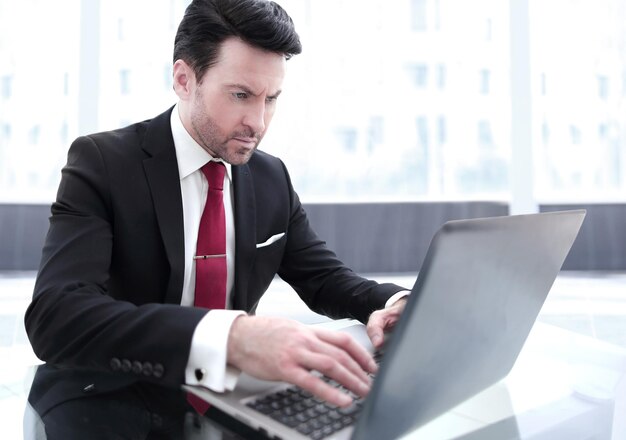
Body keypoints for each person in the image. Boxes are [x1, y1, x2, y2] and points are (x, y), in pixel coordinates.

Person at [24, 0, 407, 437]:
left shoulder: (270, 177)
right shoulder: (103, 163)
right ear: (185, 80)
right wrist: (234, 338)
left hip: (229, 406)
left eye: (272, 99)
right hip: (109, 398)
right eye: (241, 95)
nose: (257, 122)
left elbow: (323, 277)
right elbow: (56, 316)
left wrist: (392, 304)